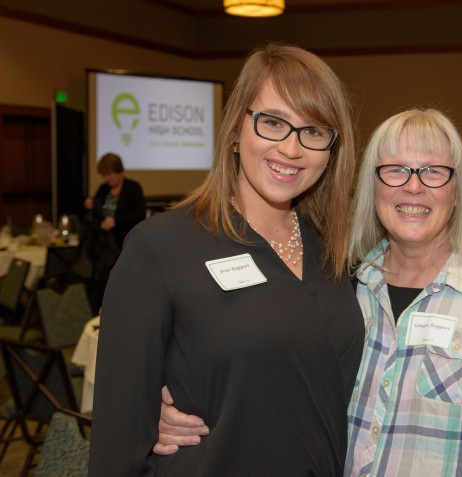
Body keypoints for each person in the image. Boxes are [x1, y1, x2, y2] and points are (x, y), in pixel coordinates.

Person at [155, 109, 462, 475]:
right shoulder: (340, 286)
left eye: (433, 171)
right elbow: (273, 381)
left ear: (457, 192)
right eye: (395, 169)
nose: (413, 186)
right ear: (374, 187)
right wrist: (172, 412)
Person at [88, 43, 365, 476]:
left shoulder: (333, 253)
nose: (292, 149)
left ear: (331, 149)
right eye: (273, 122)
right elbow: (116, 441)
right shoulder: (160, 248)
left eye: (313, 131)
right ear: (237, 128)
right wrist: (146, 413)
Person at [82, 152, 145, 311]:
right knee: (101, 282)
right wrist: (91, 204)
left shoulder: (133, 188)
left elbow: (139, 214)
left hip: (124, 243)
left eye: (110, 174)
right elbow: (96, 214)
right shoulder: (103, 190)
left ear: (119, 171)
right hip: (104, 246)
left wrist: (116, 221)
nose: (107, 179)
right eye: (104, 175)